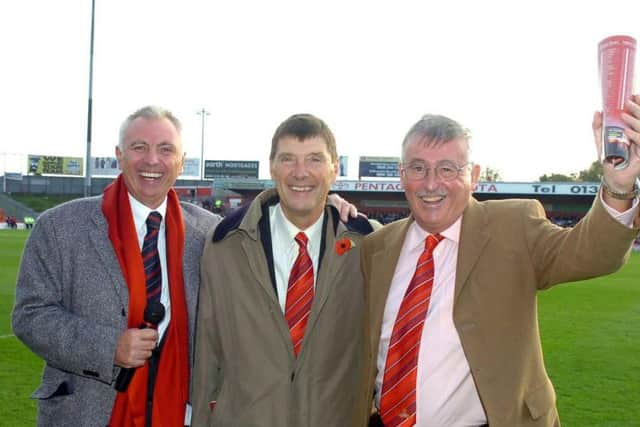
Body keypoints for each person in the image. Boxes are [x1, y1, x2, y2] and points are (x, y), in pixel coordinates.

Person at [359, 100, 640, 427]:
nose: (432, 183)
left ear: (473, 175)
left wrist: (618, 185)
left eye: (448, 168)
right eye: (418, 168)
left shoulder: (513, 226)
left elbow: (592, 252)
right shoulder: (376, 247)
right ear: (402, 174)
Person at [12, 106, 222, 427]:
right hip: (87, 411)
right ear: (119, 155)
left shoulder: (210, 233)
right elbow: (31, 316)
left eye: (166, 149)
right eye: (139, 147)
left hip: (183, 412)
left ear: (181, 161)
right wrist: (110, 347)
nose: (152, 160)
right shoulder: (60, 226)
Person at [191, 113, 379, 426]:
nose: (300, 172)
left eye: (315, 160)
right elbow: (208, 353)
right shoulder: (226, 245)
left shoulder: (369, 244)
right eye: (288, 159)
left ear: (334, 169)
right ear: (272, 167)